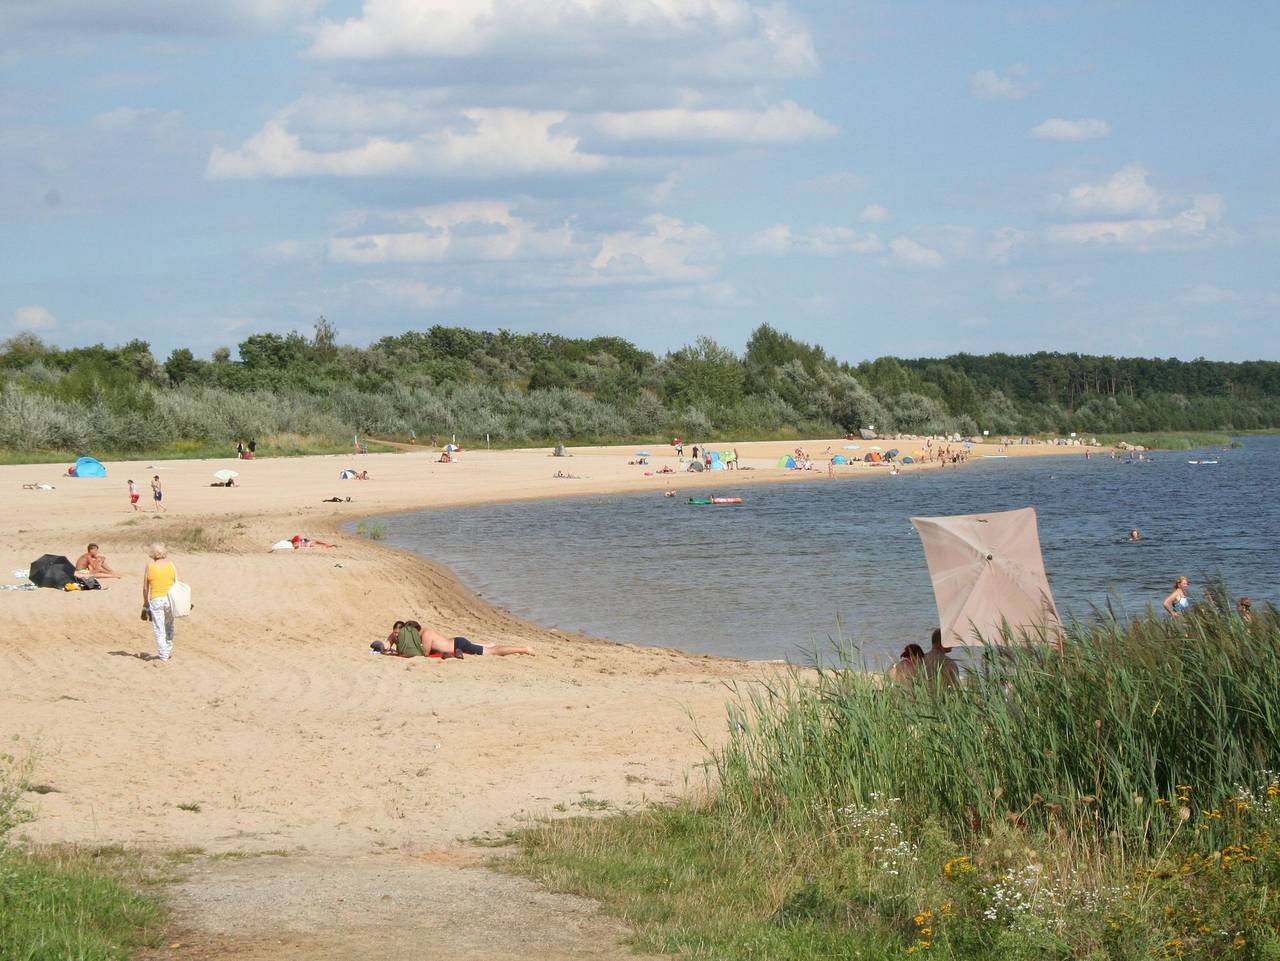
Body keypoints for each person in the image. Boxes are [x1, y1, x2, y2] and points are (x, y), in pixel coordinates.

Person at [386, 620, 533, 657]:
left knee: (493, 652)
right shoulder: (424, 632)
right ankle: (520, 649)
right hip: (456, 642)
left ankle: (523, 649)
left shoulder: (426, 635)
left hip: (459, 645)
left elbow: (424, 653)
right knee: (490, 649)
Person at [142, 543, 177, 661]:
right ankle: (167, 649)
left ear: (152, 554)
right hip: (170, 599)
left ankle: (163, 655)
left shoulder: (149, 566)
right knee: (169, 625)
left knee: (159, 628)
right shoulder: (171, 565)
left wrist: (145, 602)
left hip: (156, 598)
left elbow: (145, 588)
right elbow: (179, 582)